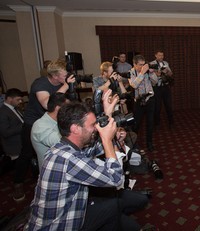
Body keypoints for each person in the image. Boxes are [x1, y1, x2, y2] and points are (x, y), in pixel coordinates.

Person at [26, 90, 139, 230]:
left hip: (72, 213)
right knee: (115, 206)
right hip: (58, 226)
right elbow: (115, 178)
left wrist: (108, 117)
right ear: (75, 129)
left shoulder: (64, 147)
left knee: (113, 208)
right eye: (93, 125)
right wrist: (107, 139)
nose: (96, 128)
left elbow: (95, 149)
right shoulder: (67, 159)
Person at [13, 59, 75, 202]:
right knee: (26, 153)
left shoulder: (60, 83)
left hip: (53, 121)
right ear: (54, 76)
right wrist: (66, 86)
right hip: (33, 123)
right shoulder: (39, 84)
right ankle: (18, 183)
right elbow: (48, 104)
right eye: (64, 74)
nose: (66, 76)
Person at [30, 92, 69, 170]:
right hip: (52, 172)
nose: (70, 111)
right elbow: (63, 144)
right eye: (68, 108)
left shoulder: (61, 120)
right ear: (58, 108)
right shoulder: (40, 126)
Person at [128, 55, 158, 151]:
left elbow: (155, 82)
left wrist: (152, 74)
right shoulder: (131, 72)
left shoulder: (147, 71)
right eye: (140, 65)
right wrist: (142, 73)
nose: (142, 66)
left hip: (150, 99)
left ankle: (149, 143)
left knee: (150, 123)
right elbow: (134, 85)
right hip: (139, 101)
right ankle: (134, 144)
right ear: (134, 64)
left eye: (143, 64)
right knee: (136, 124)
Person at [0, 88, 24, 172]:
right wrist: (23, 126)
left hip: (21, 141)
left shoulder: (15, 108)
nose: (20, 101)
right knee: (18, 168)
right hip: (13, 145)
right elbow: (5, 132)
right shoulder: (2, 112)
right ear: (9, 99)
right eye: (18, 99)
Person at [149, 50, 174, 130]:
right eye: (159, 55)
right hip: (156, 87)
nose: (161, 57)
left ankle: (171, 123)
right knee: (157, 107)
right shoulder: (151, 64)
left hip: (165, 87)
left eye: (162, 55)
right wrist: (156, 73)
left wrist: (167, 72)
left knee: (169, 106)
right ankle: (157, 124)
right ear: (155, 55)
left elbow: (171, 74)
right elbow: (150, 77)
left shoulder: (165, 63)